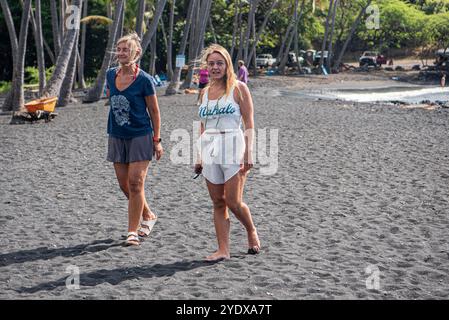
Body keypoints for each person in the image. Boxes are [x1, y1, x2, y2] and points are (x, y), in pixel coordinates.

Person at [195, 44, 260, 261]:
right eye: (211, 63)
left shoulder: (239, 88)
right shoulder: (204, 92)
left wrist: (249, 152)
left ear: (227, 65)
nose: (215, 67)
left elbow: (249, 121)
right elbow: (202, 125)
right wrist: (199, 156)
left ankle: (250, 230)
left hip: (234, 144)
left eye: (219, 63)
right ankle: (223, 249)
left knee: (233, 201)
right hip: (210, 147)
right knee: (218, 202)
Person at [106, 32, 163, 246]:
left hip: (141, 135)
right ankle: (148, 215)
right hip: (116, 134)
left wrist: (157, 140)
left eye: (125, 49)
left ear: (136, 52)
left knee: (136, 183)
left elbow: (155, 112)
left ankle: (132, 231)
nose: (121, 53)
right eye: (119, 49)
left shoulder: (145, 80)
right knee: (124, 185)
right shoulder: (110, 75)